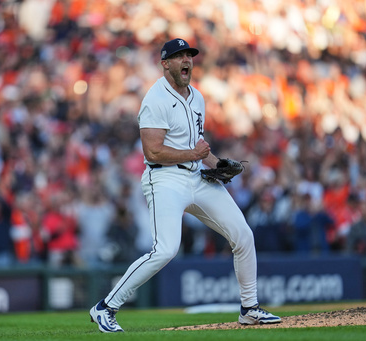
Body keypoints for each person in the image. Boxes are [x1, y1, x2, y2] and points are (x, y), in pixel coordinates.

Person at [89, 38, 281, 333]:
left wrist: (217, 164)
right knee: (165, 250)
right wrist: (196, 155)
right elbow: (153, 151)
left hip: (197, 177)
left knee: (243, 235)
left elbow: (197, 148)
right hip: (164, 178)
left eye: (189, 55)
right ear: (165, 63)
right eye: (178, 56)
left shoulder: (198, 98)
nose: (186, 60)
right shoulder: (155, 99)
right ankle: (106, 307)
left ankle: (250, 309)